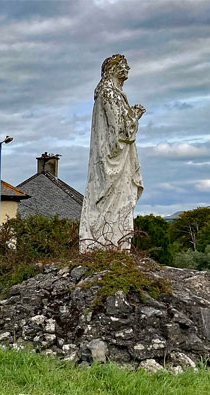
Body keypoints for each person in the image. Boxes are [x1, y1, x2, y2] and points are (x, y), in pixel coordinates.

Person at [79, 54, 145, 250]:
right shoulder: (109, 93)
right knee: (117, 199)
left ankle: (112, 243)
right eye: (123, 65)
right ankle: (108, 244)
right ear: (112, 69)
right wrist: (135, 116)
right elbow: (119, 131)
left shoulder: (111, 94)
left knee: (121, 200)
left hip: (114, 157)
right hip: (113, 159)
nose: (128, 69)